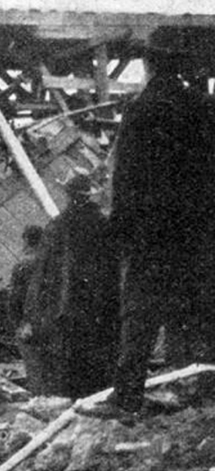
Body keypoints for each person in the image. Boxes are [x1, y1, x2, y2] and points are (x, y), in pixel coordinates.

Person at [82, 40, 215, 419]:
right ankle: (204, 393)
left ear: (148, 66)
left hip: (151, 234)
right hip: (198, 232)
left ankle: (127, 398)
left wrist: (119, 231)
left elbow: (126, 176)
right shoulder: (205, 107)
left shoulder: (143, 109)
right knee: (200, 312)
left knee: (139, 316)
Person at [23, 174, 119, 399]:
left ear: (68, 195)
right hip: (103, 305)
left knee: (73, 366)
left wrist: (32, 315)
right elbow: (116, 265)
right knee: (104, 360)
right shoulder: (104, 223)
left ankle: (78, 403)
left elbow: (42, 274)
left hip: (68, 308)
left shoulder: (57, 227)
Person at [8, 225, 45, 393]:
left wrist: (18, 323)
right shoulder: (53, 261)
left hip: (30, 324)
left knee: (34, 367)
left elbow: (15, 299)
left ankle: (39, 397)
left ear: (27, 241)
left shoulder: (23, 265)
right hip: (52, 321)